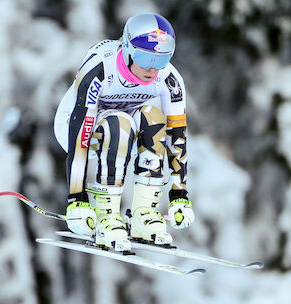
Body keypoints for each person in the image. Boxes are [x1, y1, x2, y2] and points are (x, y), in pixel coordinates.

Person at [53, 12, 194, 251]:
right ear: (127, 50)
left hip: (124, 127)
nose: (152, 69)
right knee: (119, 123)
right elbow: (80, 132)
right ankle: (105, 215)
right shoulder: (101, 66)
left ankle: (143, 213)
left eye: (160, 60)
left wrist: (180, 195)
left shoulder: (168, 78)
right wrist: (76, 200)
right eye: (144, 58)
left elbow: (177, 134)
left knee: (154, 118)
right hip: (76, 128)